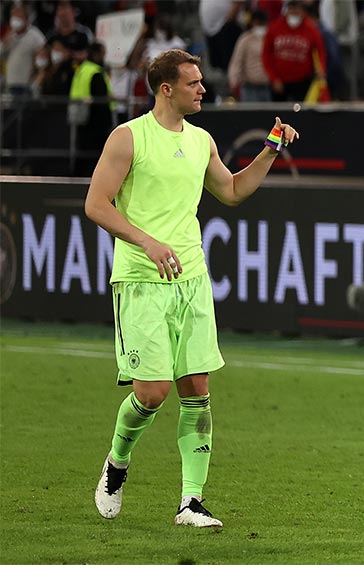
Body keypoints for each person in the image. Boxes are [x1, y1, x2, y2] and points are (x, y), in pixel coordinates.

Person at [84, 49, 299, 528]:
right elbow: (96, 205)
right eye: (193, 83)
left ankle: (191, 502)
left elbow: (233, 192)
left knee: (197, 391)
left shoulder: (201, 140)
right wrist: (148, 242)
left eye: (201, 81)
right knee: (153, 393)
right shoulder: (128, 138)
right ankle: (117, 464)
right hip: (141, 280)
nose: (203, 89)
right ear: (166, 89)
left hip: (192, 279)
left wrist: (269, 149)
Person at [262, 0, 327, 102]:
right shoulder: (274, 27)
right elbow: (266, 55)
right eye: (291, 9)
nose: (294, 12)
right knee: (278, 114)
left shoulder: (311, 29)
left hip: (302, 81)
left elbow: (320, 51)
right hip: (279, 82)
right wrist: (274, 78)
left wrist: (321, 69)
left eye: (297, 9)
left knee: (301, 114)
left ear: (303, 11)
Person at [69, 42, 113, 176]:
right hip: (95, 123)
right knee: (93, 157)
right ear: (97, 54)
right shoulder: (96, 72)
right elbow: (102, 99)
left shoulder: (83, 69)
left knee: (82, 155)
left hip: (80, 118)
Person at [1, 2, 46, 98]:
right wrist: (6, 41)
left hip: (26, 85)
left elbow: (43, 55)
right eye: (13, 16)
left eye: (18, 16)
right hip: (10, 83)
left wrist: (35, 80)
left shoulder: (35, 35)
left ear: (26, 19)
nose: (15, 19)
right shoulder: (10, 36)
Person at [228, 10, 272, 102]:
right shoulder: (245, 39)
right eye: (258, 23)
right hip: (250, 87)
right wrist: (233, 81)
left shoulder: (270, 38)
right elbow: (237, 61)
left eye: (262, 23)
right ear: (253, 23)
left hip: (267, 87)